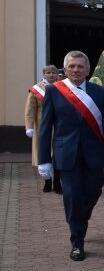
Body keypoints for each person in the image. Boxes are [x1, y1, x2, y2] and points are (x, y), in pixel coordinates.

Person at [37, 51, 104, 261]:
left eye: (80, 66)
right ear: (65, 69)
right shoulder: (55, 92)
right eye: (72, 66)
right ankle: (77, 241)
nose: (76, 70)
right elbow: (46, 128)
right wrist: (44, 160)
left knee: (93, 192)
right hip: (67, 154)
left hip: (94, 154)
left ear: (87, 69)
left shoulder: (100, 93)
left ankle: (81, 220)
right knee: (72, 196)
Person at [25, 64, 59, 192]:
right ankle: (47, 181)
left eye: (54, 73)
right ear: (43, 75)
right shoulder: (36, 89)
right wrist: (29, 126)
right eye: (48, 73)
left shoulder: (61, 87)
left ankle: (57, 182)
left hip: (58, 125)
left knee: (58, 154)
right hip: (42, 127)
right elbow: (30, 110)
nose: (51, 75)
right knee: (44, 153)